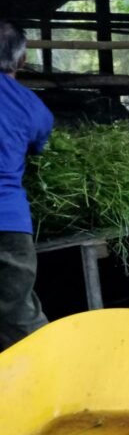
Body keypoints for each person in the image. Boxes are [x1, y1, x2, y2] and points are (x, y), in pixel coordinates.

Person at [0, 21, 53, 349]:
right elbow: (36, 146)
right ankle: (51, 391)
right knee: (18, 314)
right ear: (21, 60)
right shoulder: (32, 106)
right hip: (8, 222)